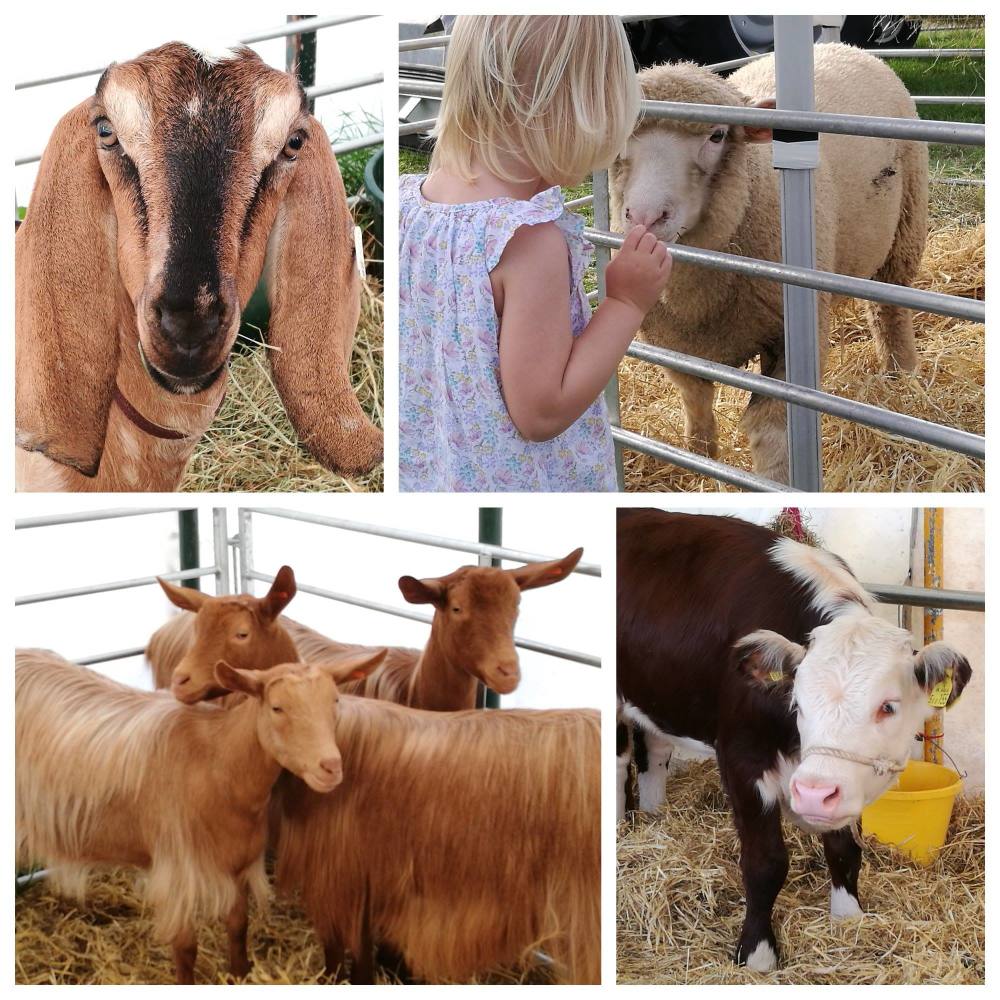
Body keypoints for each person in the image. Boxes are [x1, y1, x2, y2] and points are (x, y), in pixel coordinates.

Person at [400, 14, 672, 491]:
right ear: (572, 113)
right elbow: (542, 412)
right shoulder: (527, 243)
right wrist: (627, 303)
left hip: (435, 472)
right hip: (523, 482)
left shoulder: (412, 203)